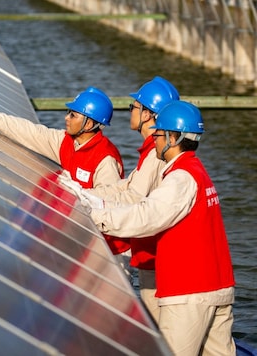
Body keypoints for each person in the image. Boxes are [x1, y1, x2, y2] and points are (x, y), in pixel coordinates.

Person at [88, 100, 236, 356]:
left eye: (158, 134)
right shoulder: (197, 171)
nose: (154, 139)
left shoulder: (180, 178)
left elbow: (147, 217)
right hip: (217, 286)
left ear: (173, 137)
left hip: (188, 291)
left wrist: (96, 217)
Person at [61, 76, 179, 324]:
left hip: (156, 256)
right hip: (151, 254)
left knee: (162, 330)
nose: (130, 111)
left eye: (134, 107)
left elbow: (131, 196)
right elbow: (125, 186)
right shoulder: (154, 151)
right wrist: (85, 194)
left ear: (148, 114)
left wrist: (90, 205)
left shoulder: (155, 155)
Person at [0, 86, 129, 254]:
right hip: (84, 237)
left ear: (89, 123)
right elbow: (31, 132)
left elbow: (111, 203)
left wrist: (80, 193)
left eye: (73, 115)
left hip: (111, 249)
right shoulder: (67, 142)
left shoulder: (105, 159)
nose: (66, 118)